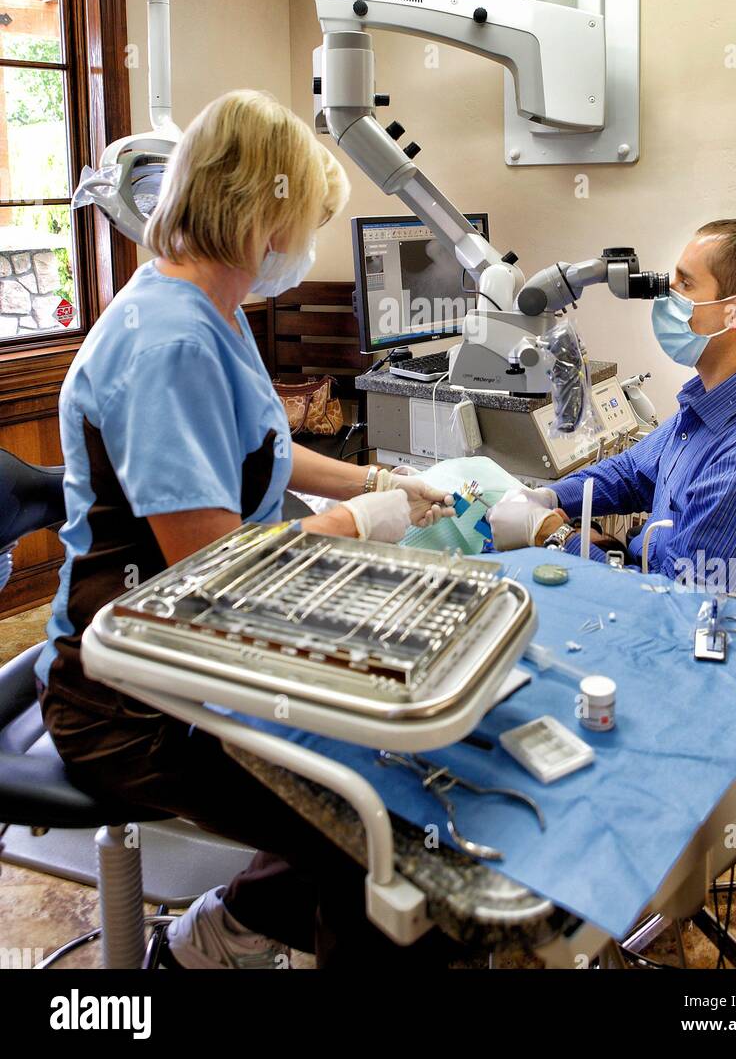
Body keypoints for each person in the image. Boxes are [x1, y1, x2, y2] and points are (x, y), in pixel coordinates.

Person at [36, 89, 458, 969]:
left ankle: (224, 934)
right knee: (372, 828)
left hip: (198, 652)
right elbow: (219, 570)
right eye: (302, 221)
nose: (302, 246)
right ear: (262, 212)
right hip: (130, 696)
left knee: (383, 757)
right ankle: (243, 940)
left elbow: (264, 451)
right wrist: (363, 520)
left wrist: (383, 478)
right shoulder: (170, 343)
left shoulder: (211, 313)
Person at [490, 220, 736, 601]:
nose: (666, 295)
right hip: (663, 582)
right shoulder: (721, 400)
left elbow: (675, 611)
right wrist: (552, 499)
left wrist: (556, 535)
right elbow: (632, 472)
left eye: (684, 285)